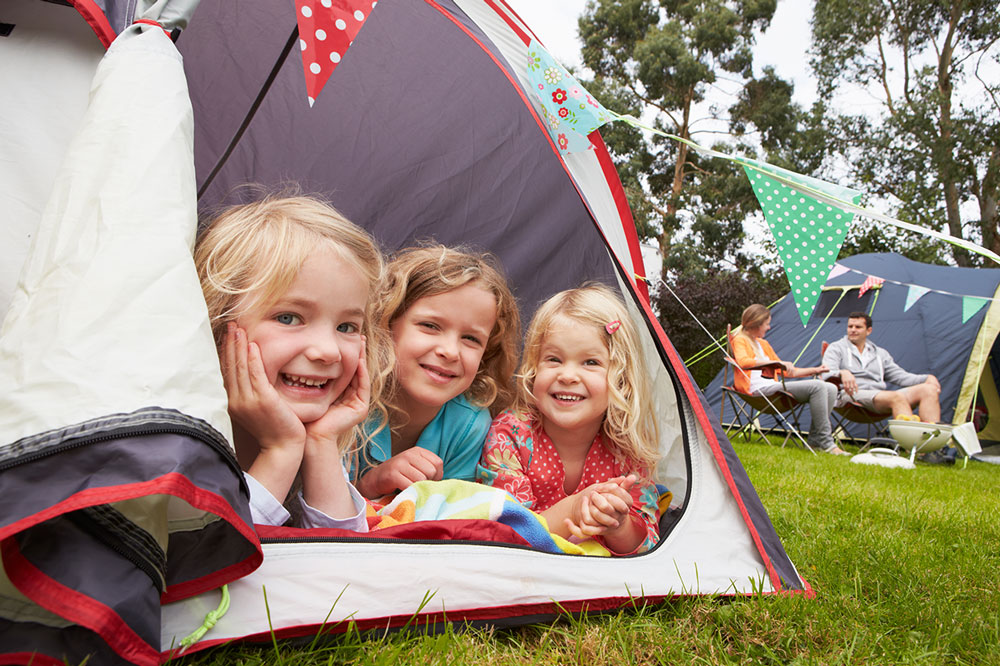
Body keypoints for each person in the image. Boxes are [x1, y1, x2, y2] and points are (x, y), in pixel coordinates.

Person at [195, 194, 392, 528]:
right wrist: (280, 450)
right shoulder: (179, 448)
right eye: (289, 318)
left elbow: (343, 569)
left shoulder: (321, 438)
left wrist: (322, 443)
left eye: (346, 327)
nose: (327, 350)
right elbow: (207, 565)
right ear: (215, 324)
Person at [477, 284, 662, 555]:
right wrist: (576, 508)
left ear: (620, 380)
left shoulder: (627, 448)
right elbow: (507, 532)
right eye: (554, 359)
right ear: (533, 368)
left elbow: (648, 545)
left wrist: (618, 525)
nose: (568, 375)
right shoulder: (510, 435)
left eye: (590, 363)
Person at [354, 245, 521, 500]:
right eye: (430, 326)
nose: (450, 351)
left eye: (471, 339)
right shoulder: (349, 399)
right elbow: (313, 511)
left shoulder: (470, 423)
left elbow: (450, 518)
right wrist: (371, 484)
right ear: (385, 323)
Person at [732, 304, 849, 455]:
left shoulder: (763, 344)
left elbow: (787, 372)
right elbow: (743, 362)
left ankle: (815, 441)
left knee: (830, 387)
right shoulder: (740, 339)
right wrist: (776, 364)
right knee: (818, 387)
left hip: (772, 387)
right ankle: (826, 443)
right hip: (756, 390)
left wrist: (815, 370)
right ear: (757, 323)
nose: (769, 327)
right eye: (767, 323)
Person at [823, 311, 941, 422]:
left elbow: (900, 377)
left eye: (858, 327)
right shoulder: (836, 348)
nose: (853, 330)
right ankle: (911, 442)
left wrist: (927, 378)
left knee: (928, 390)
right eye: (850, 327)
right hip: (850, 396)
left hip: (879, 397)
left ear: (868, 331)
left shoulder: (880, 353)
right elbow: (826, 372)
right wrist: (842, 373)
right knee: (897, 397)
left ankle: (932, 439)